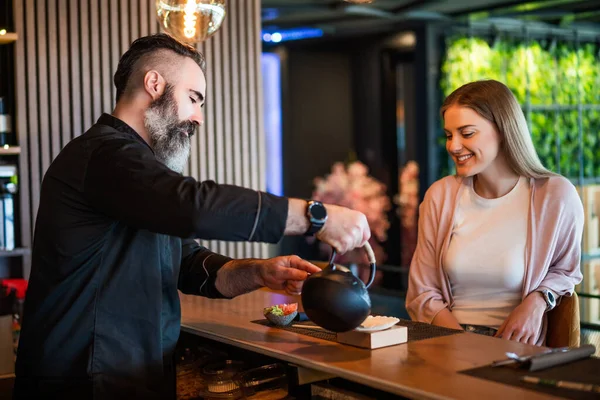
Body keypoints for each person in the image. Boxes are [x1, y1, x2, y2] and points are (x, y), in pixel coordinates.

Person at [13, 33, 371, 399]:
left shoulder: (137, 172)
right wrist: (315, 217)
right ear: (154, 84)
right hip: (82, 379)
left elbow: (185, 263)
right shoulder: (103, 154)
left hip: (129, 373)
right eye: (194, 98)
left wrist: (259, 273)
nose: (198, 118)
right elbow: (192, 205)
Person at [406, 80, 583, 346]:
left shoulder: (555, 195)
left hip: (518, 349)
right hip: (445, 342)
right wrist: (462, 344)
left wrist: (537, 301)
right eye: (448, 135)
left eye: (466, 133)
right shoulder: (439, 196)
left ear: (502, 130)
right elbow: (422, 293)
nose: (453, 146)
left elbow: (566, 271)